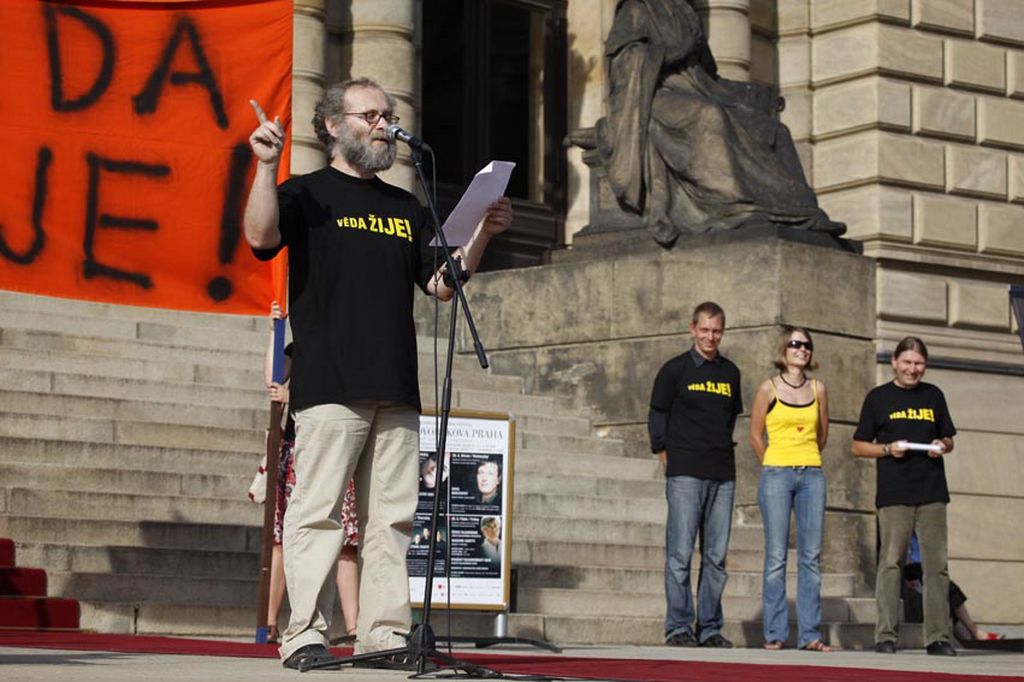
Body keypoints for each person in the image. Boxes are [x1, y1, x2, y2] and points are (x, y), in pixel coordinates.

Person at [244, 77, 513, 670]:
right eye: (370, 115)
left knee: (391, 520)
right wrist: (264, 167)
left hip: (395, 386)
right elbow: (260, 237)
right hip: (330, 382)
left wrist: (482, 235)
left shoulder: (406, 206)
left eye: (388, 115)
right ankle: (304, 634)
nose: (384, 125)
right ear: (332, 125)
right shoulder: (307, 192)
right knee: (316, 513)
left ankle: (384, 635)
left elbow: (442, 284)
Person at [259, 302, 360, 644]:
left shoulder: (347, 351)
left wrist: (294, 394)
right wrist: (275, 330)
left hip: (337, 448)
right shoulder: (299, 348)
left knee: (346, 544)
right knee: (284, 538)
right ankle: (270, 621)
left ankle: (353, 625)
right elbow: (273, 378)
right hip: (298, 450)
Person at [852, 337, 957, 657]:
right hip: (895, 492)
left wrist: (942, 445)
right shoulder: (878, 397)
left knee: (936, 566)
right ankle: (886, 635)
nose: (913, 369)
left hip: (932, 491)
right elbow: (858, 446)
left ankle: (938, 637)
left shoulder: (934, 395)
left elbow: (949, 438)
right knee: (891, 563)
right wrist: (887, 449)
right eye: (908, 362)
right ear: (895, 362)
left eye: (919, 363)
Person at [648, 301, 743, 648]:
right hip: (685, 473)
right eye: (704, 330)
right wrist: (667, 456)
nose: (710, 337)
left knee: (716, 558)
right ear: (692, 329)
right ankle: (678, 627)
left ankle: (710, 628)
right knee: (680, 555)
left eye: (716, 331)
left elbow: (730, 419)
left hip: (722, 474)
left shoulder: (731, 373)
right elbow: (657, 417)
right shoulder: (674, 370)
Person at [748, 327, 831, 651]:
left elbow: (822, 434)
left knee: (811, 556)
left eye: (807, 345)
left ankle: (810, 634)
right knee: (776, 556)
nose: (802, 349)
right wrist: (772, 463)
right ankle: (775, 632)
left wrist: (805, 457)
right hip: (777, 474)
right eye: (796, 344)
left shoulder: (818, 388)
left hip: (811, 474)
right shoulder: (767, 388)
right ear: (784, 349)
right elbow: (755, 434)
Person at [902, 534, 1004, 644]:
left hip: (924, 567)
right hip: (912, 570)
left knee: (947, 591)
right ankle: (974, 633)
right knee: (948, 590)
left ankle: (971, 635)